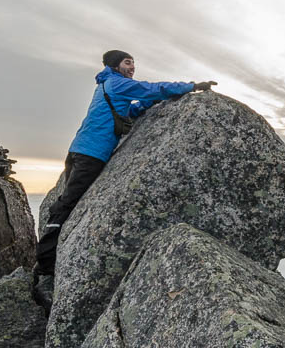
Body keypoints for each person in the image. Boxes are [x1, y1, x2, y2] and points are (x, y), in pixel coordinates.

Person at [35, 49, 216, 276]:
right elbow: (151, 89)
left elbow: (125, 111)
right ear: (115, 65)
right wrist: (192, 86)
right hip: (91, 154)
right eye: (127, 62)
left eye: (133, 63)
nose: (132, 67)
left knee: (66, 201)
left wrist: (146, 105)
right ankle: (45, 263)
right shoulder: (118, 84)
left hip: (78, 150)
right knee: (67, 204)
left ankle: (46, 254)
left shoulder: (105, 85)